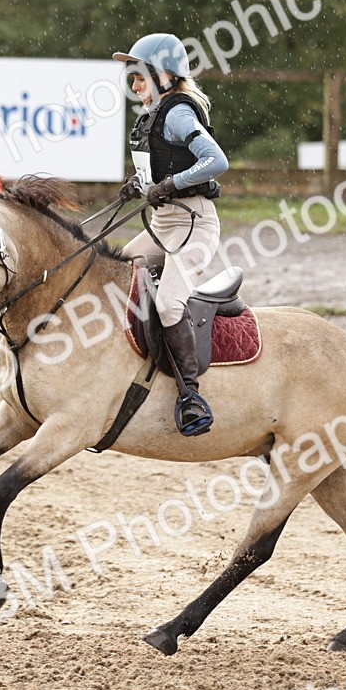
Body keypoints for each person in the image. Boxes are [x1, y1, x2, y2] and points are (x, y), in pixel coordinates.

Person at [112, 33, 228, 437]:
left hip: (193, 225)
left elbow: (217, 160)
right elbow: (159, 168)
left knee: (168, 303)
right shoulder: (152, 114)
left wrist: (171, 184)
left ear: (163, 74)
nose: (134, 86)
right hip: (162, 227)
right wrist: (140, 184)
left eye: (139, 77)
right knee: (118, 273)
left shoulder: (178, 113)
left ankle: (190, 395)